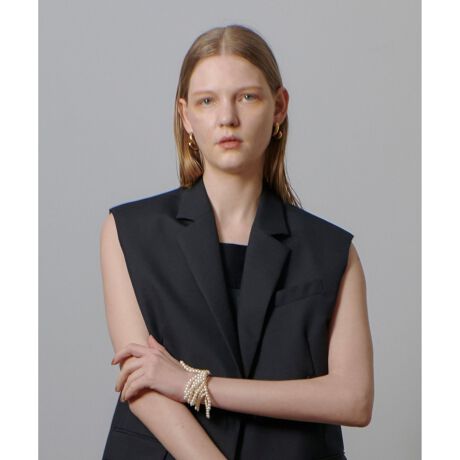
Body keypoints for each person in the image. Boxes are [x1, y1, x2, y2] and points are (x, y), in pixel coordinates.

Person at [100, 24, 374, 460]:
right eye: (207, 101)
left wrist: (195, 384)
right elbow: (142, 387)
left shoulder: (332, 250)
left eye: (247, 97)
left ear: (279, 107)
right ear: (186, 116)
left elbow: (354, 400)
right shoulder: (129, 231)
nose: (227, 117)